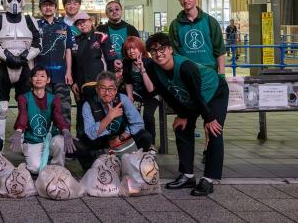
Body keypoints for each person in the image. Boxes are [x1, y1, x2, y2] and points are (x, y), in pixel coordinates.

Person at [146, 33, 228, 196]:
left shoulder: (186, 67)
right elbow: (166, 93)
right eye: (153, 50)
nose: (158, 53)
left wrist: (209, 118)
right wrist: (182, 114)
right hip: (192, 98)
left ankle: (209, 179)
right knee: (181, 128)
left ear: (170, 49)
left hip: (214, 92)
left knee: (213, 131)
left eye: (162, 48)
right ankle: (187, 175)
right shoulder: (151, 67)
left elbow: (197, 95)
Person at [0, 0, 41, 140]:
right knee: (1, 108)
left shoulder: (30, 20)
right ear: (4, 0)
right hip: (3, 67)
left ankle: (25, 142)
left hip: (25, 67)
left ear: (22, 0)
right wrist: (7, 56)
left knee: (24, 106)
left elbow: (38, 43)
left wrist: (25, 56)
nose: (14, 2)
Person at [76, 71, 152, 170]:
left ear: (116, 90)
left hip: (119, 136)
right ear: (97, 89)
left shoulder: (122, 99)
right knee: (80, 145)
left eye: (111, 89)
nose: (107, 93)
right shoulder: (88, 104)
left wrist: (121, 137)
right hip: (100, 139)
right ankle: (93, 170)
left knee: (145, 136)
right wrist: (109, 117)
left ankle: (134, 165)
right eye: (103, 88)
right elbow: (91, 134)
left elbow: (138, 123)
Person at [10, 66, 74, 175]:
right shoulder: (23, 98)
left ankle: (56, 169)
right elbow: (23, 115)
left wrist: (65, 130)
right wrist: (19, 131)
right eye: (35, 76)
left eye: (42, 76)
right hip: (32, 139)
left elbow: (58, 116)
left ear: (48, 80)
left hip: (49, 138)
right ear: (31, 79)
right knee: (35, 169)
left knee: (60, 141)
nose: (39, 78)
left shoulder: (54, 98)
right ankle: (36, 161)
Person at [71, 14, 120, 137]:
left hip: (100, 86)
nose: (82, 25)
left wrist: (111, 84)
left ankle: (105, 146)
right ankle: (82, 143)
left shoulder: (101, 37)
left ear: (90, 21)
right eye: (78, 23)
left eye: (84, 21)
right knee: (82, 115)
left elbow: (111, 61)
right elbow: (74, 65)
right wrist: (74, 82)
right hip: (82, 86)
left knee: (101, 113)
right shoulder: (75, 40)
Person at [35, 0, 74, 124]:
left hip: (61, 75)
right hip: (41, 76)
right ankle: (43, 139)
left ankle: (64, 139)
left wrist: (68, 72)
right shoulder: (35, 26)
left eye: (51, 5)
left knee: (64, 109)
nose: (48, 8)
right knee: (42, 109)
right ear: (40, 8)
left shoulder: (64, 27)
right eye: (45, 5)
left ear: (55, 8)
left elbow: (68, 50)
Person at [169, 0, 226, 74]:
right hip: (187, 72)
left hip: (209, 71)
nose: (185, 0)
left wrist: (222, 74)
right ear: (179, 0)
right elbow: (175, 53)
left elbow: (219, 50)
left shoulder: (210, 21)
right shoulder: (175, 25)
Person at [122, 36, 158, 147]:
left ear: (140, 49)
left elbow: (151, 89)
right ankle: (136, 140)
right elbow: (128, 82)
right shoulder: (127, 63)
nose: (131, 51)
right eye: (128, 49)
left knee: (147, 116)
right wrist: (129, 97)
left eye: (134, 48)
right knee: (132, 115)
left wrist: (142, 70)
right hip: (137, 94)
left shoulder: (149, 62)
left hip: (152, 95)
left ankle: (151, 142)